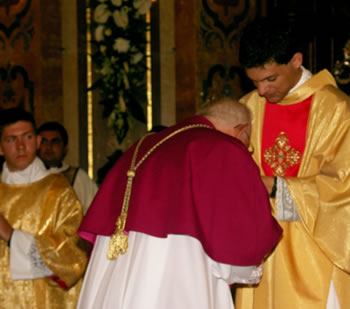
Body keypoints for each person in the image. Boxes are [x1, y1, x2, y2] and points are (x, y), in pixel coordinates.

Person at [234, 18, 350, 308]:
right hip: (264, 257)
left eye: (270, 79)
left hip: (320, 254)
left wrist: (275, 187)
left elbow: (348, 189)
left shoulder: (332, 107)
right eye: (255, 81)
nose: (262, 91)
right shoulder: (248, 107)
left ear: (296, 60)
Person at [76, 98, 283, 309]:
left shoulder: (143, 145)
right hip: (178, 269)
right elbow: (242, 236)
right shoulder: (221, 146)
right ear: (242, 130)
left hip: (117, 273)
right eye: (247, 146)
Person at [0, 108, 87, 309]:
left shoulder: (59, 191)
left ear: (38, 142)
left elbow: (73, 259)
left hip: (46, 301)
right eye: (12, 140)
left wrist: (12, 236)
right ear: (1, 148)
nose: (21, 146)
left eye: (27, 137)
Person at [37, 121, 98, 214]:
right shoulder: (27, 176)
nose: (48, 147)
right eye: (44, 142)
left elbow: (95, 213)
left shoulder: (79, 177)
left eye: (55, 142)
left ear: (65, 148)